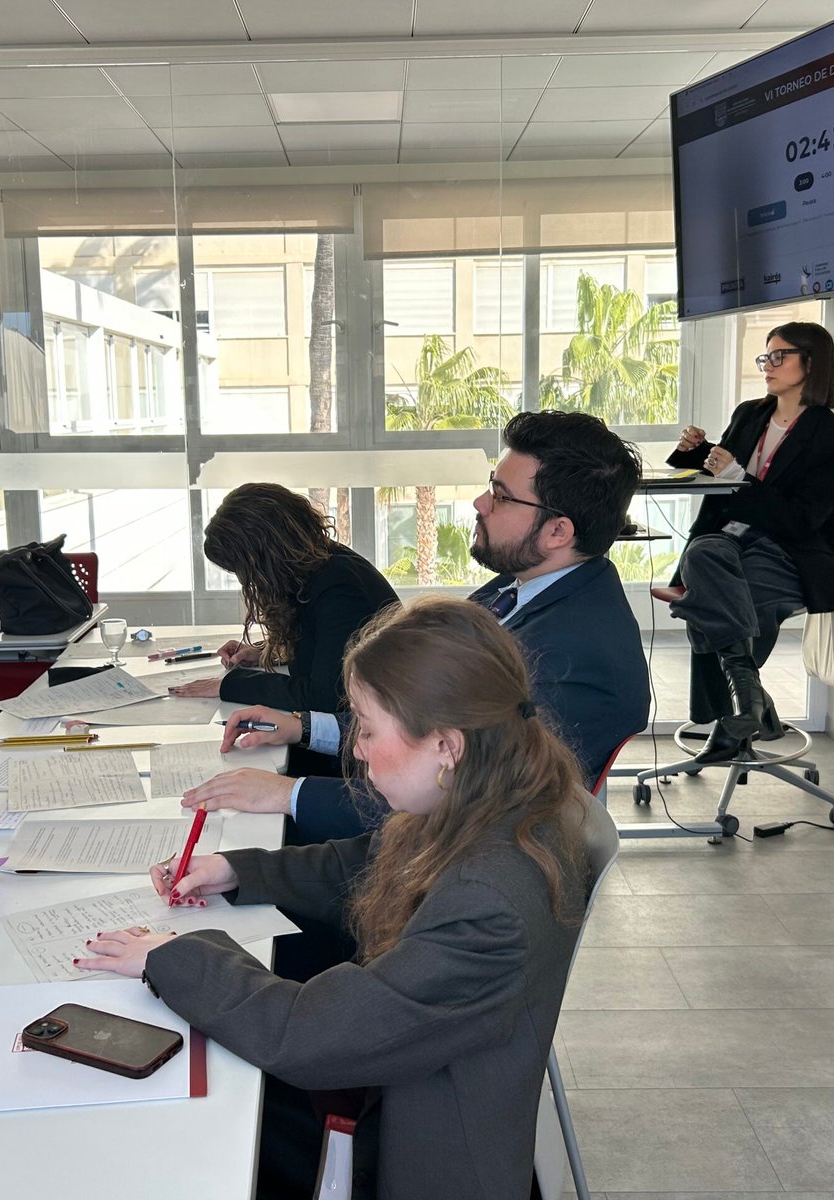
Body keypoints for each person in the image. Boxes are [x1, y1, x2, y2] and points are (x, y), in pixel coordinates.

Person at [78, 597, 592, 1200]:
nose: (358, 749)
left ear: (446, 746)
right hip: (393, 1088)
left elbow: (308, 1036)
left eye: (368, 730)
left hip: (418, 1154)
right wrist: (235, 870)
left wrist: (170, 956)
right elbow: (367, 861)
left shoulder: (489, 900)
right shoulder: (491, 796)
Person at [182, 409, 650, 843]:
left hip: (452, 857)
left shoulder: (574, 652)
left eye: (501, 495)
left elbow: (457, 799)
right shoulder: (515, 588)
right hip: (415, 825)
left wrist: (289, 794)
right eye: (490, 486)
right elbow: (416, 720)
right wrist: (304, 728)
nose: (480, 502)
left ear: (558, 532)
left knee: (232, 846)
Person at [666, 321, 834, 762]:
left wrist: (737, 476)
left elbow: (801, 519)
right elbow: (724, 474)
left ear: (812, 364)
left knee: (723, 598)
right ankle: (751, 703)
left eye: (778, 356)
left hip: (788, 550)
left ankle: (737, 713)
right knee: (703, 553)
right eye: (765, 357)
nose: (767, 365)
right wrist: (698, 452)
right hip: (728, 538)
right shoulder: (749, 414)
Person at [166, 482, 397, 725]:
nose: (250, 581)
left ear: (266, 557)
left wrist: (231, 685)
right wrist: (266, 652)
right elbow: (325, 648)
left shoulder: (339, 588)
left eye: (246, 570)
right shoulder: (320, 564)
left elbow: (324, 696)